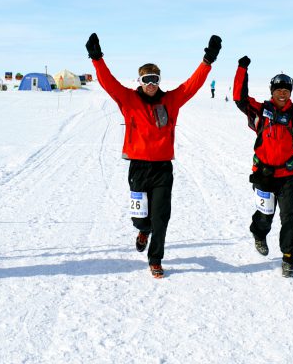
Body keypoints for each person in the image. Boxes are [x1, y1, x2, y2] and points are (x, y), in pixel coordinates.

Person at [86, 32, 220, 278]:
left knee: (161, 217)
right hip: (138, 167)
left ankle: (155, 258)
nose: (151, 84)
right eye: (147, 80)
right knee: (142, 218)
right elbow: (108, 82)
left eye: (155, 79)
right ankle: (142, 231)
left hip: (162, 169)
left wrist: (208, 60)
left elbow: (192, 85)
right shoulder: (128, 99)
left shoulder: (171, 100)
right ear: (139, 80)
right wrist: (97, 58)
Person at [233, 56, 293, 277]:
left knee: (289, 217)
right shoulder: (260, 110)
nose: (283, 92)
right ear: (272, 90)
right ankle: (259, 234)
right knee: (265, 216)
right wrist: (242, 69)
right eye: (278, 88)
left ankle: (288, 257)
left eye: (287, 88)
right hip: (263, 174)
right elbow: (239, 98)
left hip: (286, 175)